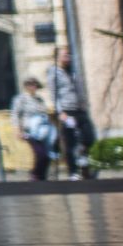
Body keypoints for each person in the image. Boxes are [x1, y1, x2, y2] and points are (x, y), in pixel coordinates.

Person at [49, 46, 95, 177]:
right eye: (65, 55)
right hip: (67, 110)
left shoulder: (72, 70)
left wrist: (84, 104)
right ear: (57, 57)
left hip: (79, 109)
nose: (68, 57)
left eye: (68, 55)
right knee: (70, 142)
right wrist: (60, 112)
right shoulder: (54, 73)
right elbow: (53, 94)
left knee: (89, 136)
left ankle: (82, 158)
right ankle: (73, 172)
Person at [11, 76, 58, 182]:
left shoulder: (39, 99)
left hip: (42, 130)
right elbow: (15, 115)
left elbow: (44, 113)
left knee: (47, 154)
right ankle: (35, 174)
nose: (32, 87)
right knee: (40, 153)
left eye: (34, 85)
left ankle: (42, 176)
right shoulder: (21, 99)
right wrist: (17, 130)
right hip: (29, 130)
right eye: (30, 85)